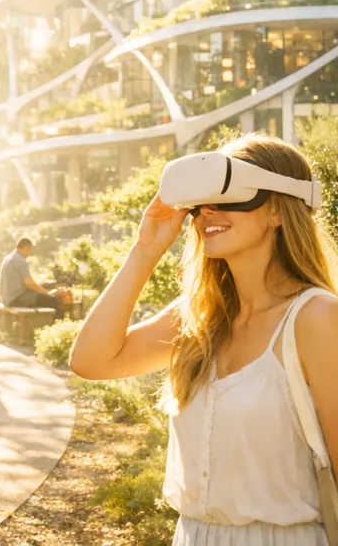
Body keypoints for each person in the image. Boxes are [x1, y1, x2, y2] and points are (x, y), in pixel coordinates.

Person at [70, 133, 338, 545]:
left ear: (278, 212)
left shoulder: (317, 319)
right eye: (201, 202)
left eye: (230, 196)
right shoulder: (196, 319)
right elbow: (90, 361)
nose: (207, 211)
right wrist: (145, 249)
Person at [0, 237, 62, 316]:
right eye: (30, 250)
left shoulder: (8, 258)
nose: (29, 253)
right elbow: (29, 283)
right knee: (52, 301)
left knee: (41, 299)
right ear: (26, 248)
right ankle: (56, 325)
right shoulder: (20, 260)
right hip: (17, 298)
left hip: (7, 299)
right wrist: (47, 293)